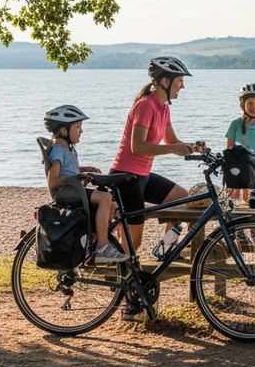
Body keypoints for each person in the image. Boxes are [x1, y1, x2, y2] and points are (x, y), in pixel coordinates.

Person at [109, 56, 196, 319]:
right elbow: (138, 147)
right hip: (126, 177)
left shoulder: (164, 107)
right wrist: (172, 149)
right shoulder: (145, 105)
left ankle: (164, 246)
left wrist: (191, 148)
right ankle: (128, 301)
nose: (182, 86)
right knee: (131, 245)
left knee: (181, 198)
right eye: (180, 81)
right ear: (165, 81)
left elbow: (171, 140)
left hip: (143, 175)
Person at [42, 105, 128, 263]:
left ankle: (95, 239)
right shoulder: (58, 149)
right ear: (63, 130)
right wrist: (79, 177)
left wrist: (84, 170)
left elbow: (67, 170)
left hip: (74, 189)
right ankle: (102, 247)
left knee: (114, 206)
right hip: (67, 192)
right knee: (104, 198)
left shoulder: (67, 148)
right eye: (77, 127)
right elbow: (53, 180)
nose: (81, 131)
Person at [225, 83, 255, 203]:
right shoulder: (235, 124)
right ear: (243, 105)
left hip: (254, 165)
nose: (254, 106)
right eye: (250, 103)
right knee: (234, 194)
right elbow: (229, 149)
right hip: (237, 165)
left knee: (251, 195)